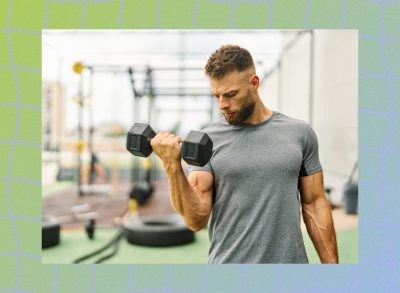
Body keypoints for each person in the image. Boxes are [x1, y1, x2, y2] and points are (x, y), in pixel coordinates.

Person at [150, 45, 338, 264]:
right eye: (216, 95)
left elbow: (314, 203)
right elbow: (195, 220)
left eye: (231, 94)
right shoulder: (206, 141)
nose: (222, 104)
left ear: (254, 83)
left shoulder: (299, 133)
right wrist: (172, 166)